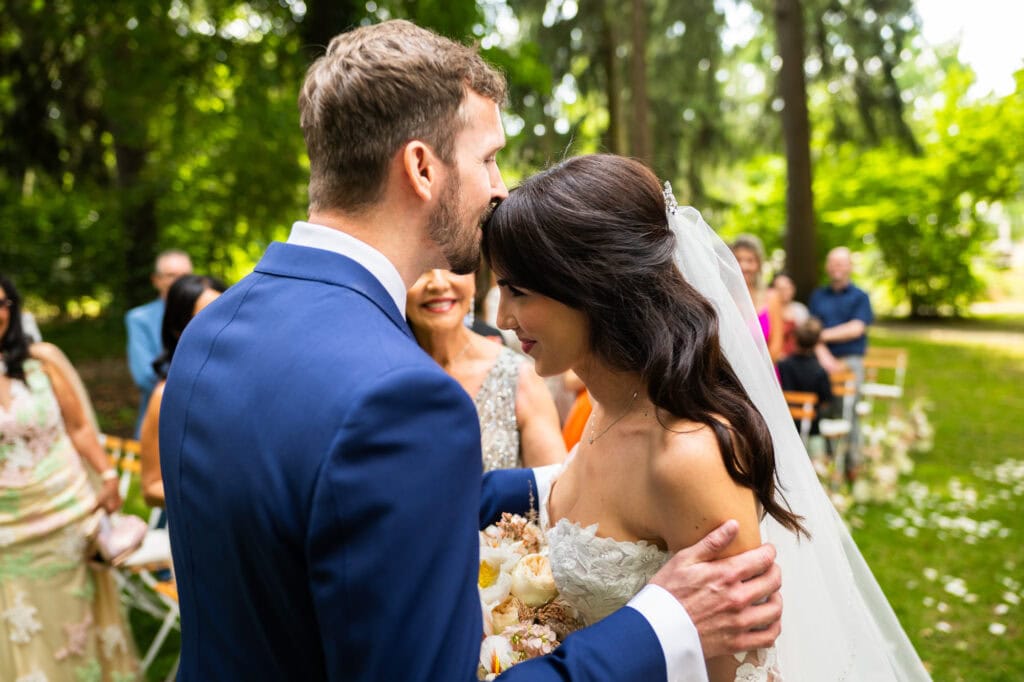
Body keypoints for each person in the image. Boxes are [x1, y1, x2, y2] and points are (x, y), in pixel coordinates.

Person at [159, 20, 783, 681]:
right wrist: (663, 626)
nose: (500, 188)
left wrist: (583, 483)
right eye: (488, 157)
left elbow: (328, 508)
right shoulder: (398, 396)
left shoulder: (212, 332)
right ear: (422, 167)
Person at [484, 154, 930, 681]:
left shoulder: (688, 455)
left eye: (519, 291)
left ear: (591, 285)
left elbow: (735, 669)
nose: (502, 319)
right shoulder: (603, 410)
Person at [0, 274, 140, 680]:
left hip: (65, 511)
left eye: (2, 303)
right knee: (18, 617)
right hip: (7, 527)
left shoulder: (42, 360)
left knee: (72, 617)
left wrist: (109, 476)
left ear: (13, 308)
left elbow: (79, 426)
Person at [406, 268, 565, 471]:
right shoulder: (380, 372)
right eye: (423, 269)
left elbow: (552, 490)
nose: (439, 284)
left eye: (452, 267)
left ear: (474, 278)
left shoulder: (517, 376)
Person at [139, 274, 226, 508]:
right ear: (179, 330)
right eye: (207, 319)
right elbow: (151, 488)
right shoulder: (166, 397)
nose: (225, 326)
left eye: (229, 313)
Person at [809, 246, 874, 467]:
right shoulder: (818, 296)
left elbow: (856, 328)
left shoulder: (860, 297)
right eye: (833, 262)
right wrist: (823, 353)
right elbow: (810, 330)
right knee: (825, 409)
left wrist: (822, 336)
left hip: (851, 361)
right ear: (828, 267)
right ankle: (828, 463)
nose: (837, 267)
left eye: (841, 263)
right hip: (821, 361)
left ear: (850, 267)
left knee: (849, 411)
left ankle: (853, 464)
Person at [125, 249, 192, 434]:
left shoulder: (205, 313)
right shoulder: (140, 318)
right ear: (156, 280)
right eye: (171, 275)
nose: (179, 281)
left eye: (185, 275)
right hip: (159, 424)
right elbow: (145, 377)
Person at [778, 317, 833, 437]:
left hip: (784, 425)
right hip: (811, 429)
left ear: (795, 339)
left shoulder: (782, 366)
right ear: (816, 343)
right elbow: (826, 400)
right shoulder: (819, 371)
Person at [731, 235, 784, 361]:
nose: (744, 266)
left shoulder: (772, 297)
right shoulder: (723, 298)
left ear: (759, 264)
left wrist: (757, 373)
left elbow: (776, 345)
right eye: (738, 260)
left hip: (765, 373)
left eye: (750, 260)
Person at [769, 272, 808, 358]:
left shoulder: (800, 309)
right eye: (780, 289)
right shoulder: (768, 311)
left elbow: (807, 338)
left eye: (787, 288)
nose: (784, 292)